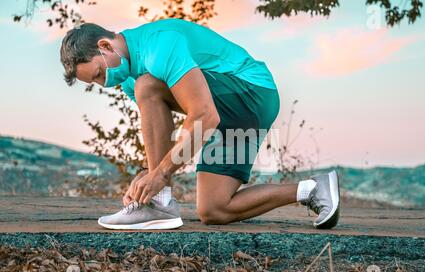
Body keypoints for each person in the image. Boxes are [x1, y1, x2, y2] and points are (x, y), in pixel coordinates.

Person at [60, 18, 340, 230]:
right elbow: (163, 130)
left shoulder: (159, 45)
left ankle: (160, 203)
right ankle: (314, 190)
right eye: (96, 83)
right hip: (231, 115)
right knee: (215, 209)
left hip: (252, 92)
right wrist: (148, 172)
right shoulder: (129, 81)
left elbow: (204, 117)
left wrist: (160, 176)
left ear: (105, 46)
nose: (104, 83)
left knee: (147, 86)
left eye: (98, 73)